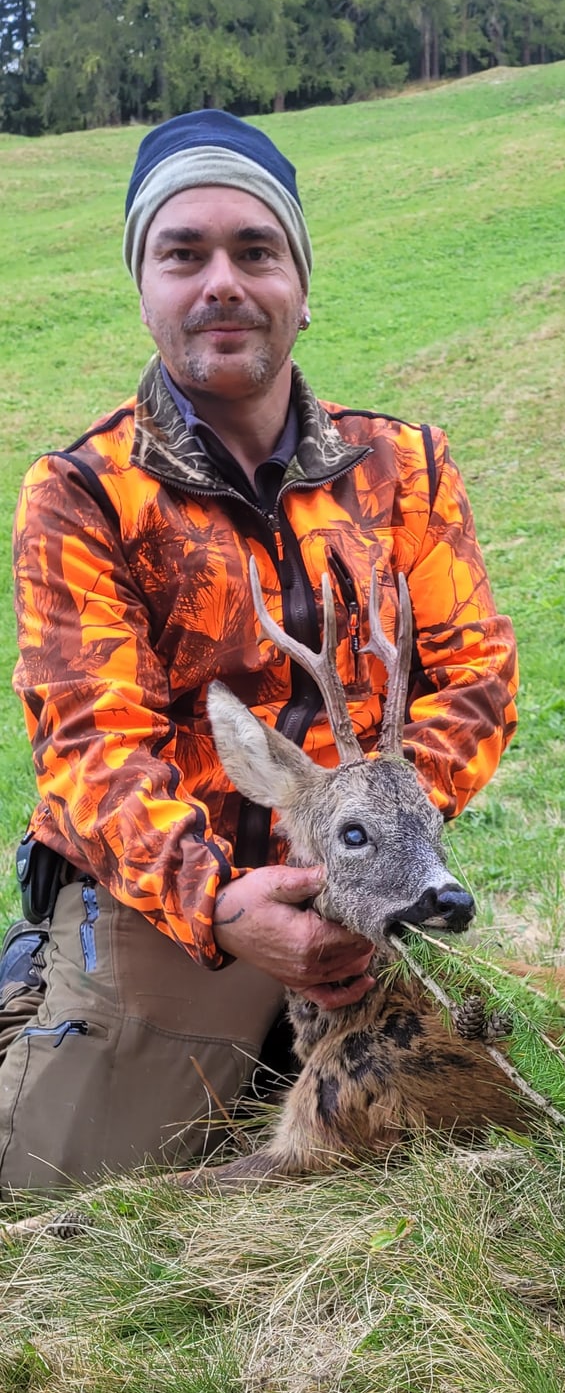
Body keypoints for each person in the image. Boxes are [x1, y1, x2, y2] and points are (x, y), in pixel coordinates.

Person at [1, 110, 518, 1188]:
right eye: (183, 254)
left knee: (445, 1105)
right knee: (57, 1173)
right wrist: (217, 900)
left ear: (301, 282)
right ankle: (42, 984)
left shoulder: (404, 467)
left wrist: (359, 839)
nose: (221, 281)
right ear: (145, 287)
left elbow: (475, 678)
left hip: (357, 872)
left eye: (256, 249)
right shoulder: (84, 494)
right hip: (174, 888)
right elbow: (94, 749)